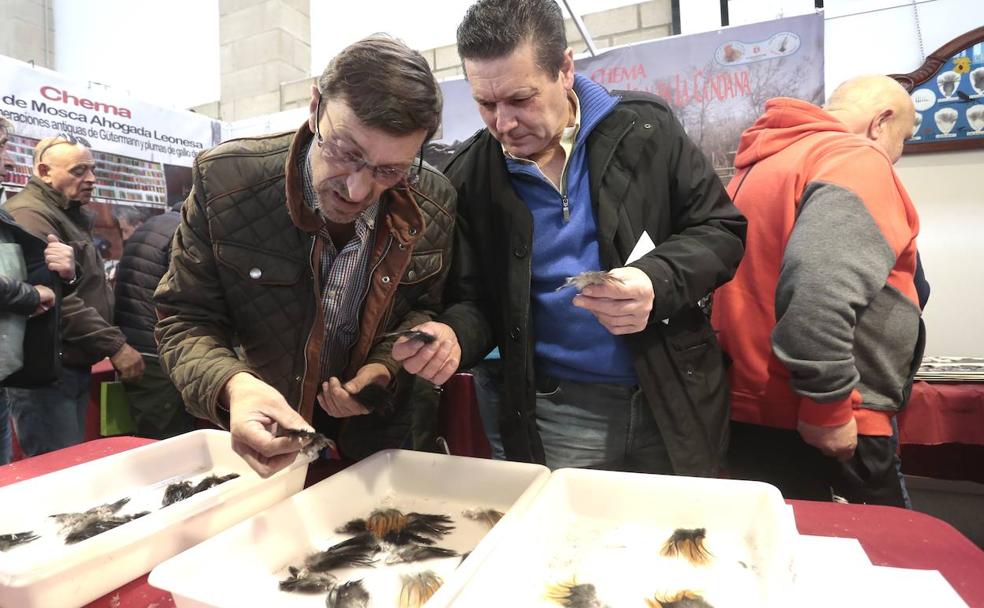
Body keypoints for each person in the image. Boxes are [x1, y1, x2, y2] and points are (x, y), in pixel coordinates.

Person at [395, 0, 746, 475]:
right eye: (485, 103)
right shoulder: (470, 175)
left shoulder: (646, 129)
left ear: (564, 69)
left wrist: (656, 282)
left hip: (673, 388)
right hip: (556, 412)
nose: (503, 123)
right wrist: (453, 335)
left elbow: (720, 230)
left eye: (521, 99)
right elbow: (475, 299)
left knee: (679, 535)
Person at [155, 35, 456, 477]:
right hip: (263, 438)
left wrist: (384, 368)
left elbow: (424, 309)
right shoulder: (226, 181)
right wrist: (234, 387)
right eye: (346, 152)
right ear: (316, 106)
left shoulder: (433, 201)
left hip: (379, 442)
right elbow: (184, 316)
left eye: (389, 170)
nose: (356, 190)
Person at [711, 75, 923, 506]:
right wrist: (827, 408)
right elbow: (819, 289)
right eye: (904, 138)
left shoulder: (761, 166)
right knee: (878, 560)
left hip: (753, 408)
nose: (898, 155)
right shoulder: (854, 157)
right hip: (826, 415)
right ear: (881, 122)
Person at [3, 134, 145, 456]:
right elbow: (57, 300)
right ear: (44, 171)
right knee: (57, 468)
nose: (91, 179)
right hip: (47, 370)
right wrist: (115, 345)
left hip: (67, 363)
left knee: (69, 462)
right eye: (79, 171)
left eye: (92, 170)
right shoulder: (29, 214)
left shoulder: (66, 213)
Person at [0, 119, 78, 463]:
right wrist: (35, 296)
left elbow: (35, 276)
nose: (8, 160)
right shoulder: (28, 211)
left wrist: (64, 274)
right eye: (1, 146)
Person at [114, 202, 197, 439]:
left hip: (141, 347)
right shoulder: (182, 232)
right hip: (160, 354)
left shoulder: (155, 225)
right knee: (170, 441)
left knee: (156, 437)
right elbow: (187, 298)